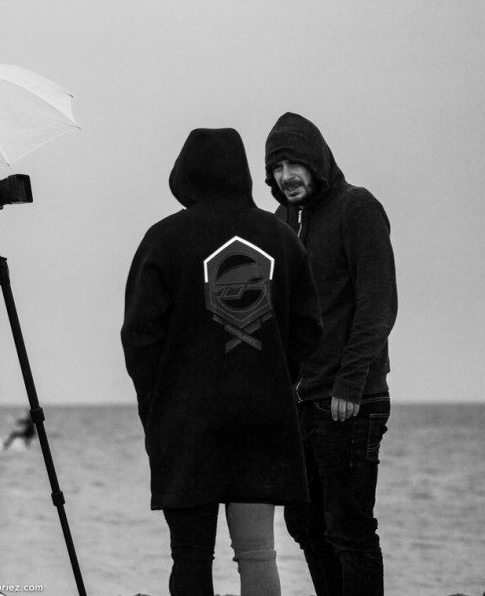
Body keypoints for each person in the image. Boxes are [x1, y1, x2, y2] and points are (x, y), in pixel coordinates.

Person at [121, 127, 323, 596]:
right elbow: (309, 328)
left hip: (186, 420)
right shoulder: (281, 236)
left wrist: (155, 404)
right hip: (263, 418)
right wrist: (276, 378)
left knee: (191, 555)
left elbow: (139, 336)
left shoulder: (164, 239)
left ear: (184, 174)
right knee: (257, 552)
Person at [264, 112, 397, 596]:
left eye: (294, 163)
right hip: (300, 403)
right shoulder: (282, 223)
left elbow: (377, 303)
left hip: (349, 402)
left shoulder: (356, 208)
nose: (285, 177)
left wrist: (350, 384)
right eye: (276, 168)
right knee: (304, 523)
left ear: (316, 161)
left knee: (350, 531)